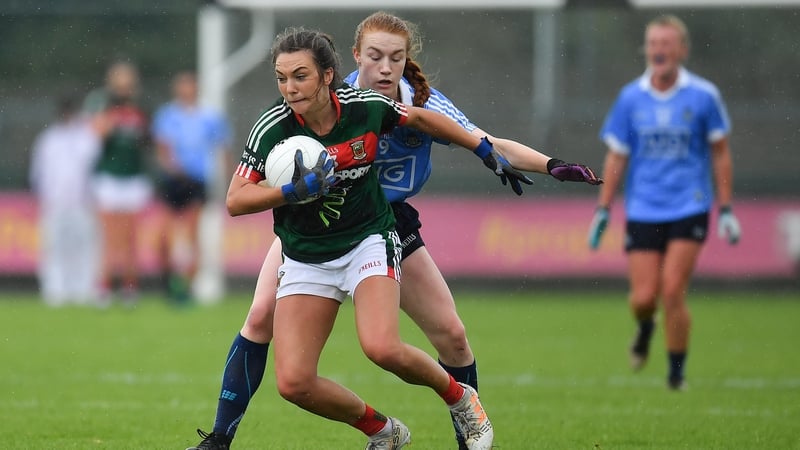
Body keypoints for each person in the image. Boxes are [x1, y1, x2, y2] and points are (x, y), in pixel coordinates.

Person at [188, 13, 601, 450]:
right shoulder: (295, 113)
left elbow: (462, 131)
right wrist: (291, 191)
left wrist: (537, 161)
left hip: (377, 224)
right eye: (375, 57)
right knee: (272, 345)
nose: (385, 67)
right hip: (309, 229)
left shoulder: (388, 105)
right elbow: (236, 199)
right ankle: (225, 437)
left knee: (431, 339)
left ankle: (466, 413)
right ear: (353, 60)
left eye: (396, 58)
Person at [587, 14, 742, 391]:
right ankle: (644, 328)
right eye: (654, 44)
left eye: (667, 44)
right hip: (643, 209)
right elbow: (617, 156)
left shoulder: (703, 96)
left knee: (672, 290)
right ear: (647, 50)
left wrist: (725, 207)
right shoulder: (631, 98)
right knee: (643, 298)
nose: (660, 50)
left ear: (682, 50)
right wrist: (604, 208)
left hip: (690, 204)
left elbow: (720, 153)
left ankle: (676, 375)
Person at [151, 71, 231, 303]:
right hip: (173, 182)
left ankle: (186, 289)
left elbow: (223, 149)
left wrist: (231, 181)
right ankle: (168, 282)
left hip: (197, 182)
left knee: (191, 237)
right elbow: (162, 150)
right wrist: (173, 168)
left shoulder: (210, 117)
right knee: (163, 238)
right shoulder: (167, 115)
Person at [84, 60, 152, 305]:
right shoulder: (101, 102)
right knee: (110, 236)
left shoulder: (140, 107)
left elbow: (146, 140)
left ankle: (129, 288)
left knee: (131, 236)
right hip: (109, 177)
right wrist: (113, 114)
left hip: (134, 177)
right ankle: (104, 286)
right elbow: (98, 133)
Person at [29, 94, 101, 306]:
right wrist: (44, 195)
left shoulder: (88, 138)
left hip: (83, 202)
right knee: (54, 247)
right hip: (55, 202)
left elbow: (94, 169)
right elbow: (38, 171)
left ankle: (83, 289)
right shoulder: (48, 139)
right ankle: (55, 290)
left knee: (84, 247)